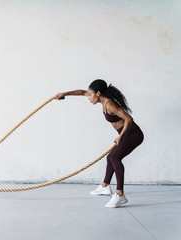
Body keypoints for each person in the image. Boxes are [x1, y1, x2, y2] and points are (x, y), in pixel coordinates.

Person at [55, 79, 144, 208]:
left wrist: (120, 136)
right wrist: (64, 94)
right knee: (110, 158)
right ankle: (105, 187)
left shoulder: (109, 104)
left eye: (90, 95)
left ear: (98, 93)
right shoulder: (100, 99)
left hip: (133, 135)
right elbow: (81, 92)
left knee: (115, 157)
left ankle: (120, 195)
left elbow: (129, 119)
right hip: (126, 134)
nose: (88, 97)